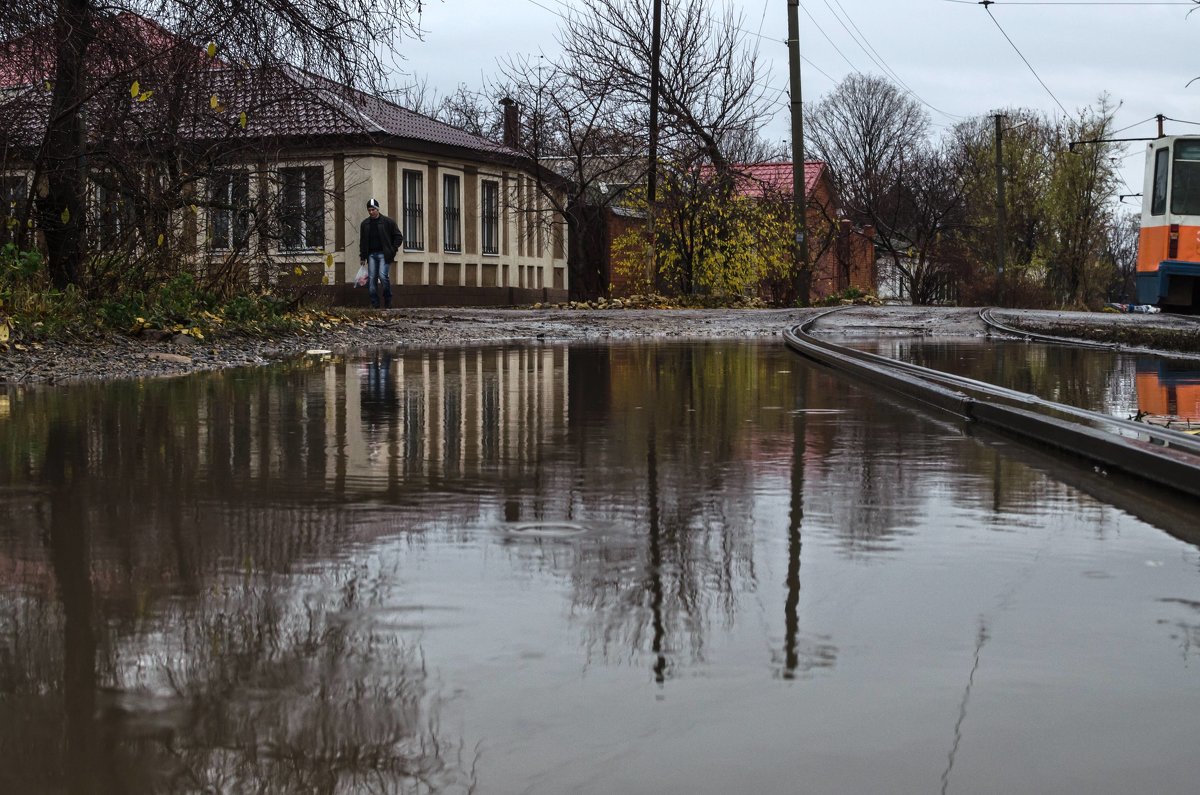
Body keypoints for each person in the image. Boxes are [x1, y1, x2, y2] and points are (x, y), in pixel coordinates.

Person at [358, 198, 404, 309]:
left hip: (384, 254)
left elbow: (398, 237)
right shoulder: (365, 224)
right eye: (369, 210)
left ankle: (388, 300)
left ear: (377, 209)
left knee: (383, 276)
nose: (371, 212)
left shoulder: (388, 222)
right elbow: (363, 241)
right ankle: (375, 303)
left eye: (373, 209)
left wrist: (392, 249)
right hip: (371, 255)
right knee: (372, 278)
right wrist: (363, 256)